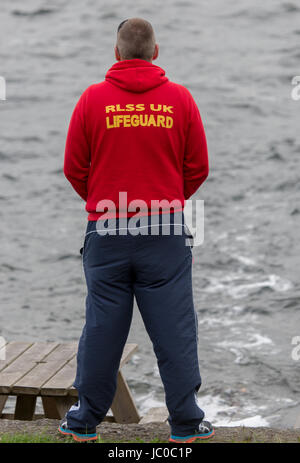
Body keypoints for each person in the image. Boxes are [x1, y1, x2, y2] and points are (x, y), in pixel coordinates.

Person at [59, 17, 214, 443]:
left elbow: (74, 167)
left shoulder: (92, 99)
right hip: (164, 231)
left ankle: (84, 420)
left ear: (116, 54)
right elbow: (198, 167)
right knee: (175, 328)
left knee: (102, 327)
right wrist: (165, 198)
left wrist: (104, 199)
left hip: (107, 228)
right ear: (156, 53)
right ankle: (185, 423)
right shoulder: (180, 99)